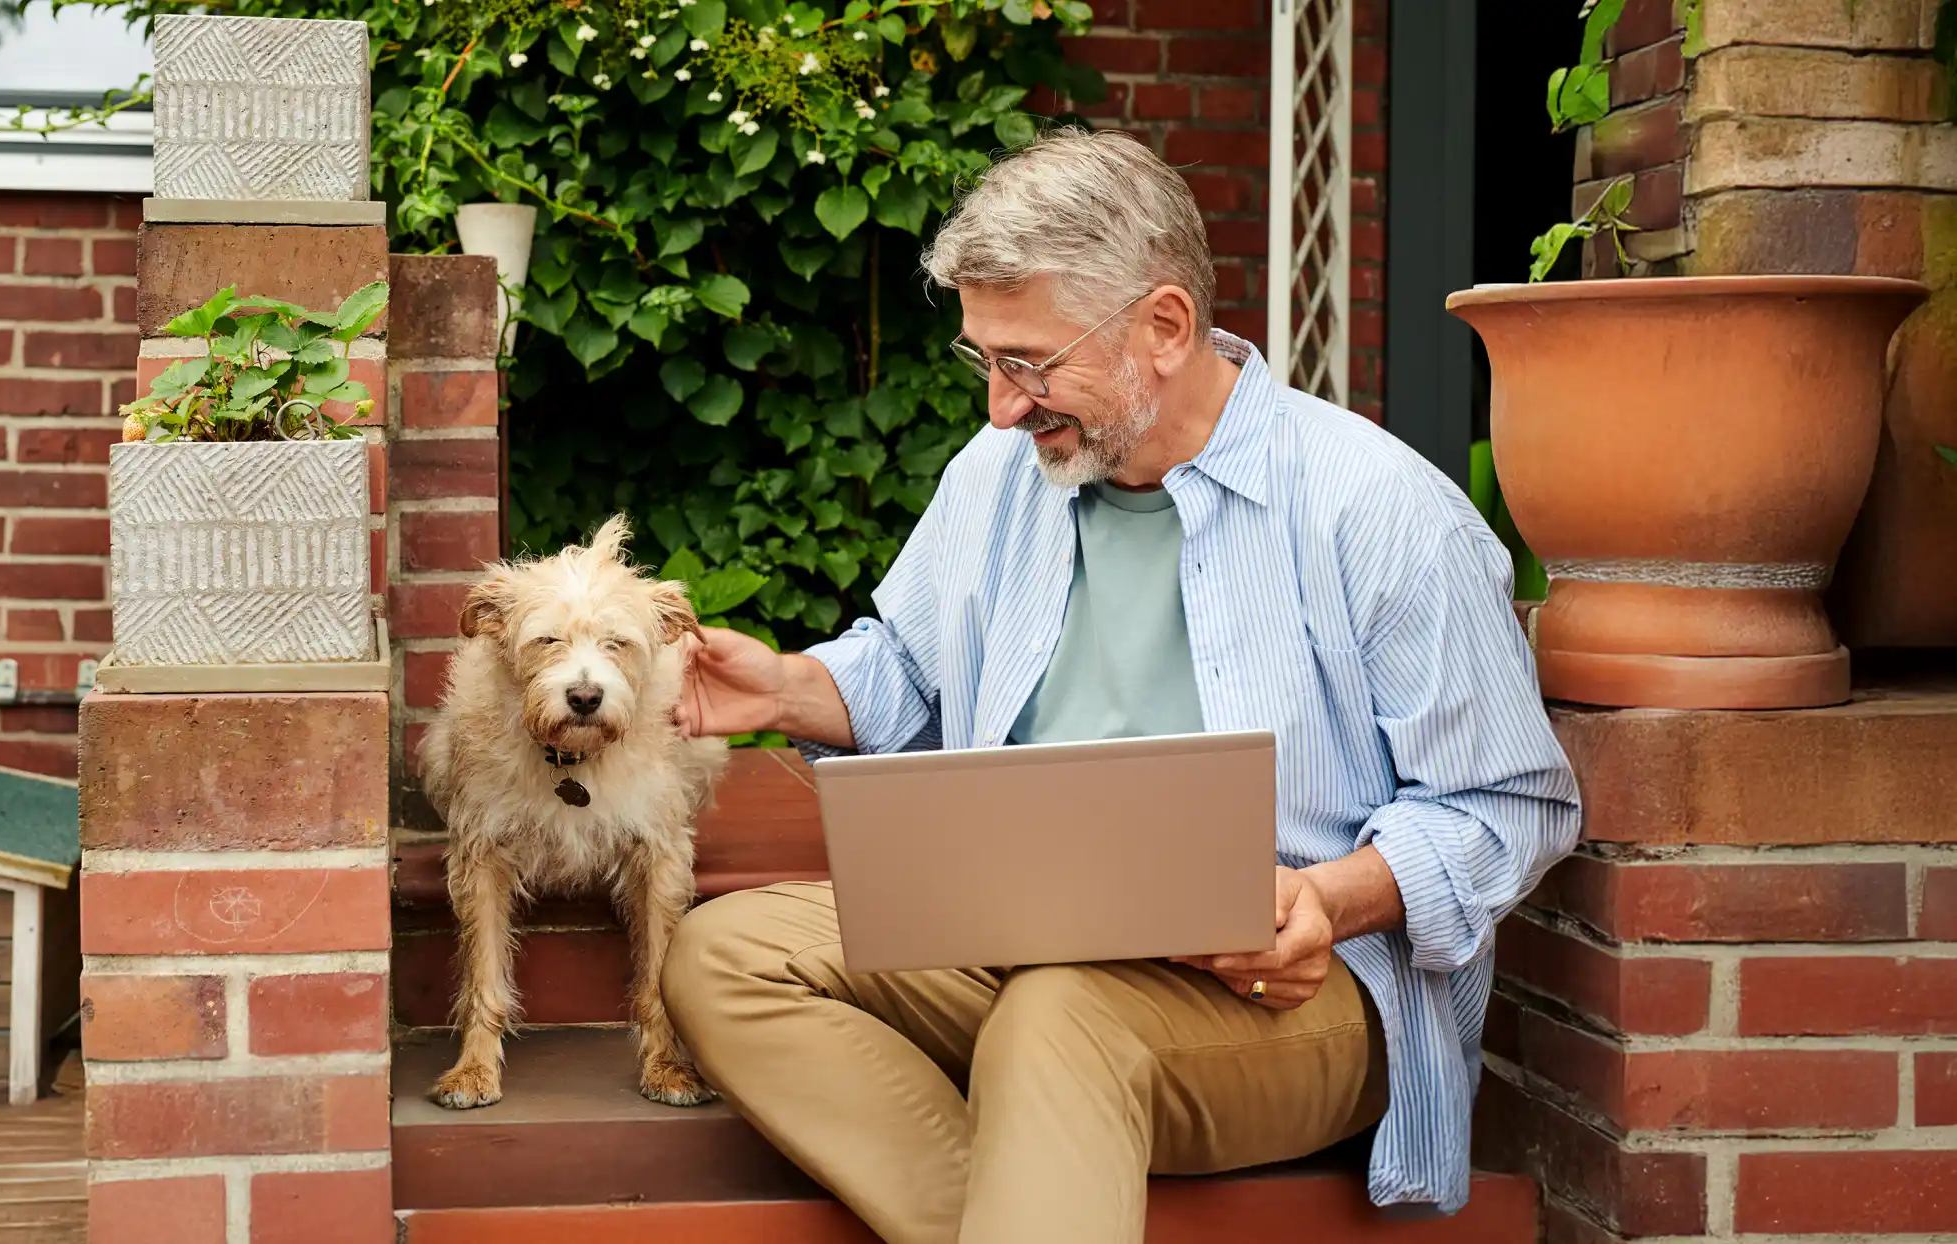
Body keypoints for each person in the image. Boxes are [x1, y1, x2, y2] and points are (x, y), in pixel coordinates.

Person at [662, 127, 1581, 1244]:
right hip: (1021, 931)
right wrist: (783, 688)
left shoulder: (1377, 507)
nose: (1001, 407)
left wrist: (1328, 899)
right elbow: (908, 670)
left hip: (1285, 986)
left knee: (1059, 1020)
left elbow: (1508, 804)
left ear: (1164, 326)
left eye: (1030, 363)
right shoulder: (997, 475)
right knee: (726, 955)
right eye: (985, 360)